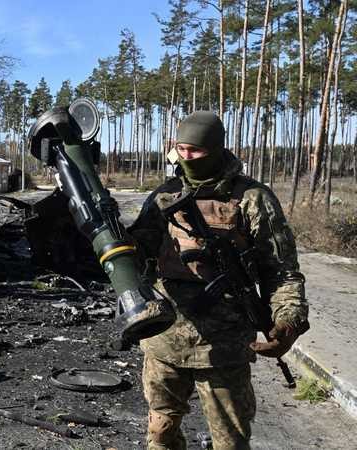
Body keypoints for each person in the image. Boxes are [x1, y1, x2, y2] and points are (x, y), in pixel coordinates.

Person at [127, 111, 309, 450]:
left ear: (216, 148)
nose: (187, 157)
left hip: (223, 348)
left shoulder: (253, 199)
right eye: (180, 149)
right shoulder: (164, 196)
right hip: (164, 340)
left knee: (230, 442)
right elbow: (136, 256)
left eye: (195, 150)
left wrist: (287, 320)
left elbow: (281, 271)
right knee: (160, 434)